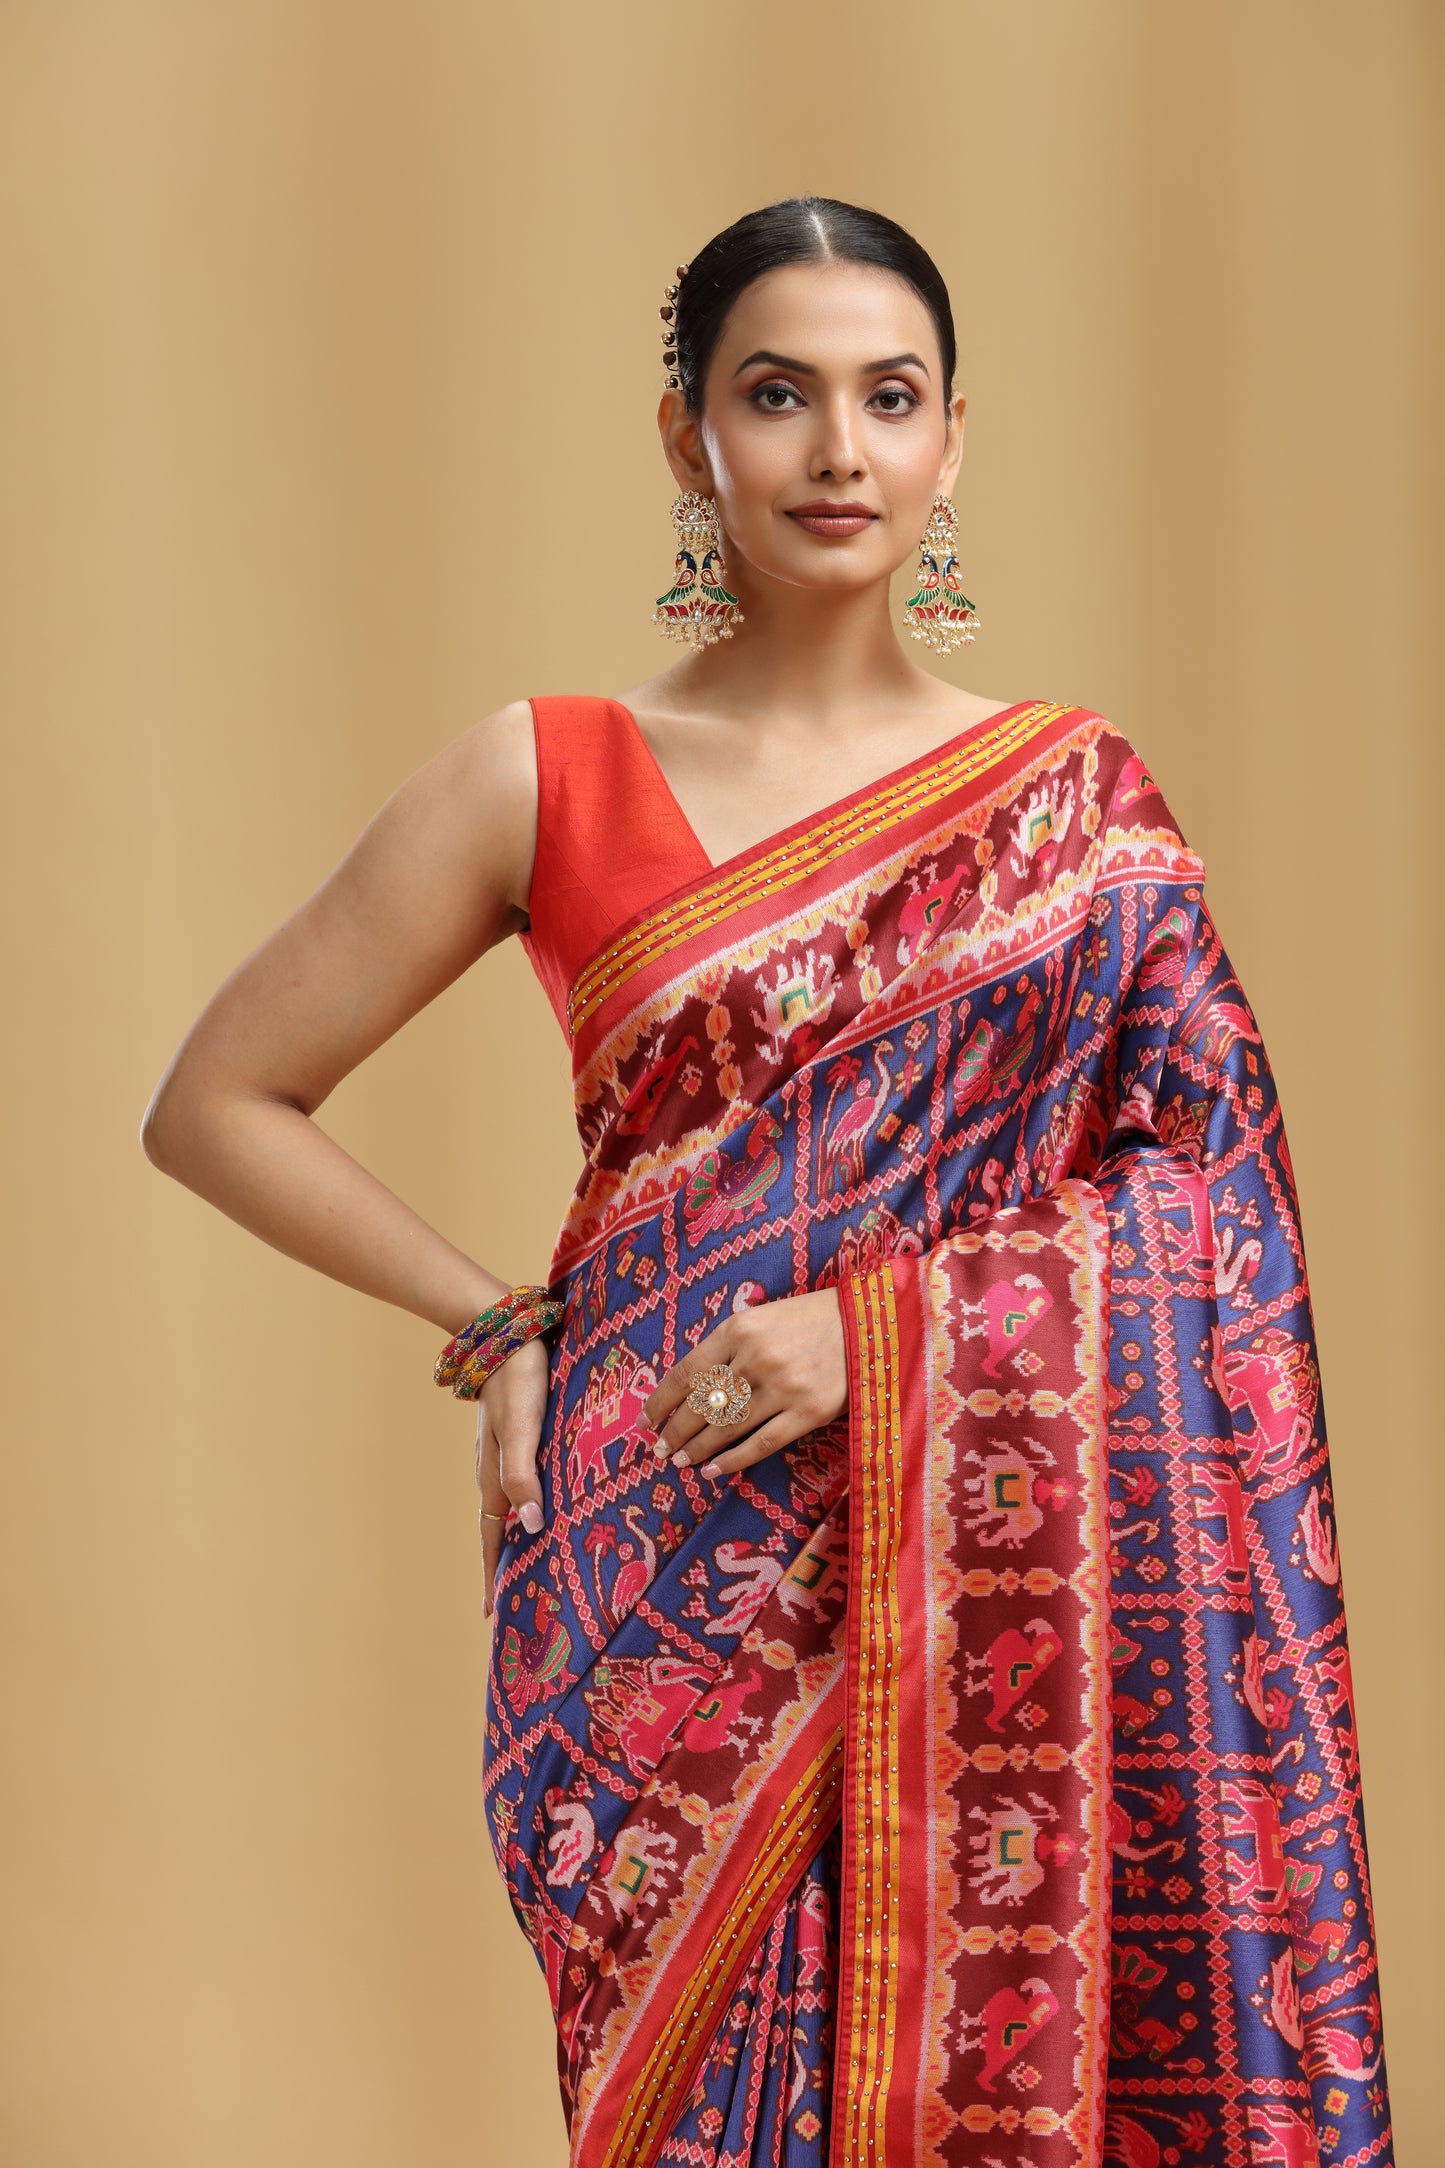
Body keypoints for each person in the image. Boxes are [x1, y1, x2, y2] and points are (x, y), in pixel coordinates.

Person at [141, 197, 1393, 2168]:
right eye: (777, 395)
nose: (837, 450)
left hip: (993, 1575)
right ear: (683, 437)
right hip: (660, 1560)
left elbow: (1215, 1207)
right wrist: (495, 1320)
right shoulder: (543, 772)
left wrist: (881, 1334)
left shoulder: (1080, 802)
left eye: (888, 398)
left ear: (952, 438)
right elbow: (217, 1097)